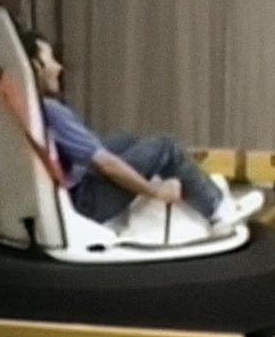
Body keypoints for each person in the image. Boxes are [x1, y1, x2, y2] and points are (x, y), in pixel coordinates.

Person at [17, 27, 242, 230]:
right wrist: (155, 191)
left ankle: (184, 187)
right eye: (51, 60)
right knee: (166, 147)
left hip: (67, 191)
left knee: (125, 139)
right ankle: (217, 208)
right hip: (84, 203)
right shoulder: (51, 110)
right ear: (35, 67)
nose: (59, 67)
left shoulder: (25, 105)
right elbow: (106, 165)